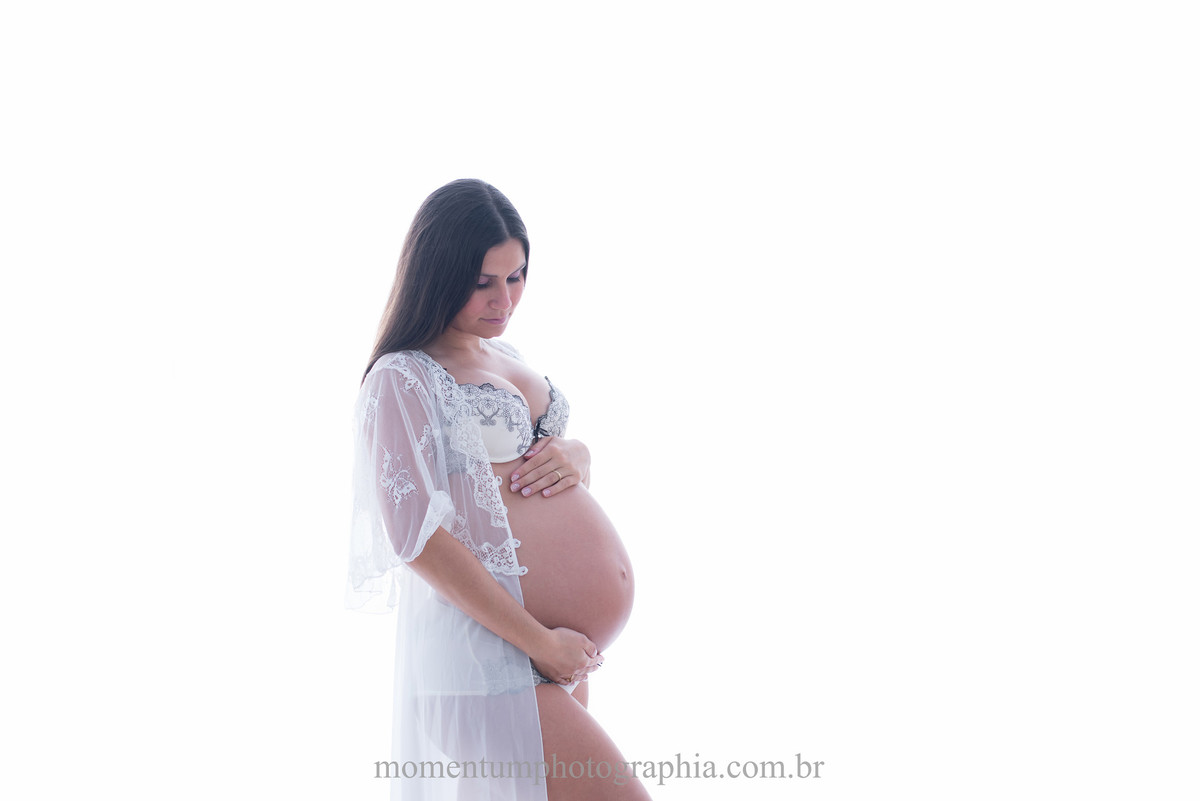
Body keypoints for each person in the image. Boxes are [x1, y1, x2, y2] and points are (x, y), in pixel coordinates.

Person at [347, 179, 649, 800]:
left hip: (546, 658)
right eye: (483, 281)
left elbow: (522, 468)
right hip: (486, 661)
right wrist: (541, 642)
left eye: (516, 277)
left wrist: (579, 454)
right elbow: (417, 539)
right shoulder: (403, 377)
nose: (503, 298)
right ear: (436, 272)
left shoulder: (502, 353)